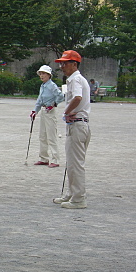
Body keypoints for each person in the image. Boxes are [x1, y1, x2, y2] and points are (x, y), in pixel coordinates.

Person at [53, 51, 91, 209]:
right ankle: (72, 193)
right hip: (78, 125)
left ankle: (78, 198)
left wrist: (66, 112)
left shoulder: (75, 79)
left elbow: (77, 98)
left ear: (74, 64)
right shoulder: (76, 79)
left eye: (65, 63)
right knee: (72, 163)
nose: (62, 66)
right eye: (61, 63)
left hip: (77, 125)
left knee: (75, 164)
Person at [30, 65, 65, 168]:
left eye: (43, 73)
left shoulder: (52, 85)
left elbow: (61, 96)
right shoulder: (43, 86)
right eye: (40, 74)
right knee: (42, 135)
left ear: (49, 75)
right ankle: (43, 158)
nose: (41, 75)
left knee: (51, 136)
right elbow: (39, 100)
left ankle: (55, 159)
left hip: (51, 111)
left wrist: (53, 104)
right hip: (44, 111)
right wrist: (35, 111)